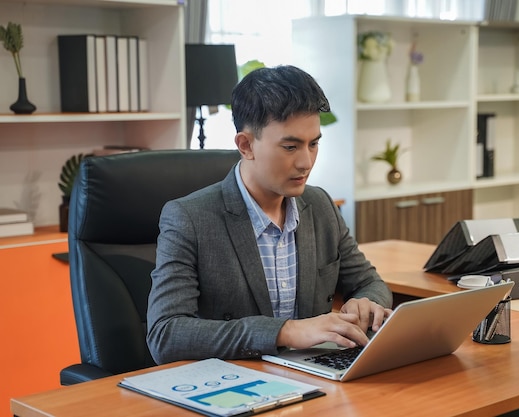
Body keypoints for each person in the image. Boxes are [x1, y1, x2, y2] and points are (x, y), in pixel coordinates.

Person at [147, 65, 393, 364]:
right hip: (235, 385)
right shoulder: (189, 218)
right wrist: (284, 332)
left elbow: (370, 283)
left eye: (313, 144)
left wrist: (367, 303)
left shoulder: (320, 205)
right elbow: (166, 334)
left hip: (314, 375)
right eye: (290, 146)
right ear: (246, 145)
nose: (306, 162)